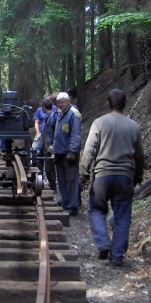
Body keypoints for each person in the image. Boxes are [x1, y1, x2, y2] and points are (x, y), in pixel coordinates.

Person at [78, 88, 145, 267]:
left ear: (107, 103)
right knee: (123, 216)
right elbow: (139, 155)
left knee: (96, 210)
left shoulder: (99, 123)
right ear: (125, 104)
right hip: (125, 178)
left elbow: (89, 150)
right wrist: (138, 175)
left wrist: (83, 174)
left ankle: (103, 243)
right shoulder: (133, 126)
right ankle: (117, 257)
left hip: (102, 177)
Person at [52, 91, 82, 219]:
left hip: (69, 153)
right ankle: (65, 202)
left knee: (71, 180)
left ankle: (72, 206)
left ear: (69, 101)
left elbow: (75, 134)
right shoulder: (61, 113)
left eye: (63, 102)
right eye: (59, 103)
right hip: (59, 152)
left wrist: (72, 151)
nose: (61, 104)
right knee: (62, 180)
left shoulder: (73, 114)